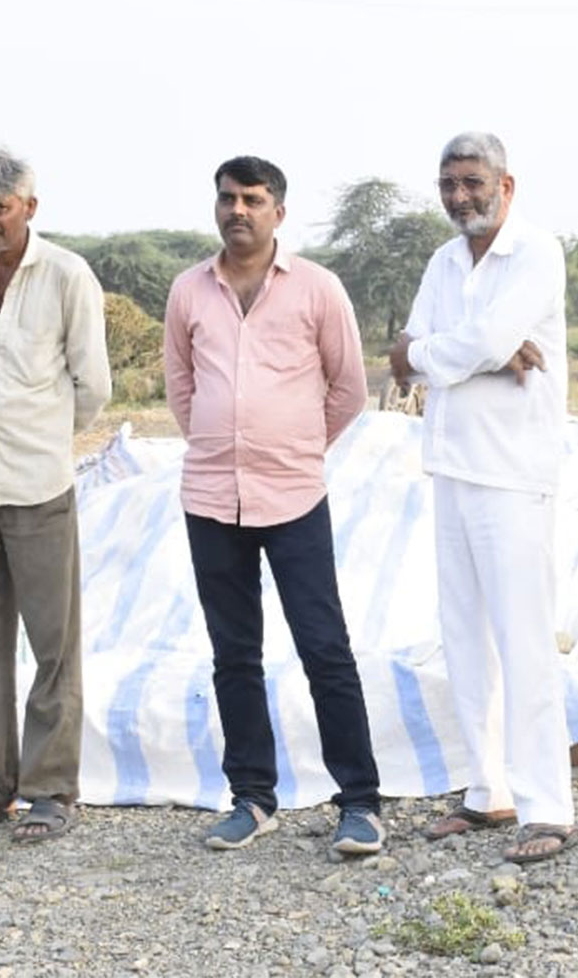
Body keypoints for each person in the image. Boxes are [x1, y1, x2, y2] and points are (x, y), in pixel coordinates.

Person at [164, 155, 384, 858]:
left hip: (293, 497)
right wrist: (222, 442)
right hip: (210, 499)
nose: (238, 211)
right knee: (234, 656)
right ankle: (252, 798)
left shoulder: (316, 289)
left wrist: (289, 446)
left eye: (253, 200)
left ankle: (360, 804)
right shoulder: (188, 292)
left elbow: (347, 387)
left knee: (325, 650)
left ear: (278, 213)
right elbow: (181, 387)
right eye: (228, 198)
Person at [388, 131, 576, 865]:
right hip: (452, 467)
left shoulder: (536, 252)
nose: (459, 196)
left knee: (524, 641)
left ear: (506, 185)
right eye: (449, 183)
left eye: (472, 182)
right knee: (464, 637)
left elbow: (466, 343)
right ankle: (486, 791)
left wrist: (463, 352)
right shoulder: (444, 260)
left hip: (514, 471)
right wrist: (476, 356)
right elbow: (409, 352)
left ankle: (549, 808)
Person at [0, 149, 111, 845]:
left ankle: (52, 789)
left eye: (0, 208)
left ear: (30, 208)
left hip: (39, 485)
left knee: (53, 645)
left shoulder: (68, 275)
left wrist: (44, 439)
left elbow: (92, 387)